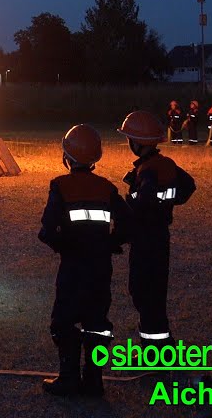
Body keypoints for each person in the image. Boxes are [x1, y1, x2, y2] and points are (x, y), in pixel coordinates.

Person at [39, 124, 132, 397]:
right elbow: (128, 223)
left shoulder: (60, 186)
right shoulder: (106, 187)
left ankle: (68, 378)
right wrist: (111, 243)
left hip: (73, 267)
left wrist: (63, 246)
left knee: (63, 321)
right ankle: (94, 381)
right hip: (100, 267)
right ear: (96, 157)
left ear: (66, 156)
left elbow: (47, 229)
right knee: (98, 323)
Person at [118, 110, 197, 346]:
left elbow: (142, 204)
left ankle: (156, 353)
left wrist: (130, 209)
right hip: (160, 236)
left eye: (130, 139)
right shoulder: (165, 164)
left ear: (137, 143)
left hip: (146, 239)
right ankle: (158, 348)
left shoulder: (148, 171)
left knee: (143, 292)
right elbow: (188, 186)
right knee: (154, 293)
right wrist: (167, 201)